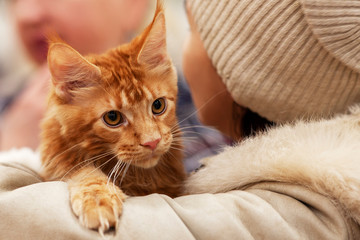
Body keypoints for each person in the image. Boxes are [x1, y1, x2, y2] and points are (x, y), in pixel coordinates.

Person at [0, 0, 360, 239]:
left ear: (240, 69)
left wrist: (11, 150)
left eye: (192, 32)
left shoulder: (292, 207)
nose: (28, 13)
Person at [0, 0, 150, 150]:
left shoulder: (170, 119)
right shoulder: (6, 110)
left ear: (132, 4)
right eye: (13, 1)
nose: (26, 15)